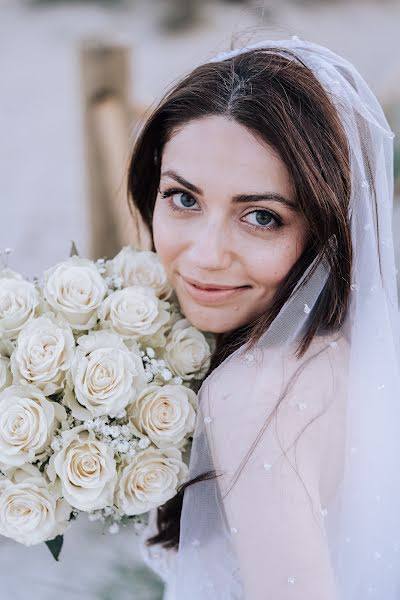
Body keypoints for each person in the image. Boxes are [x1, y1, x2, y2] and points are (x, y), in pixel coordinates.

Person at [130, 37, 400, 599]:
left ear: (327, 227)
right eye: (183, 198)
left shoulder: (252, 399)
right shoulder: (345, 352)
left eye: (260, 216)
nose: (206, 254)